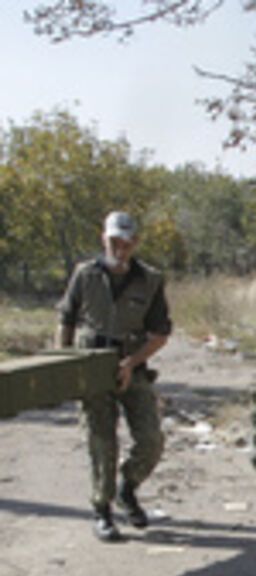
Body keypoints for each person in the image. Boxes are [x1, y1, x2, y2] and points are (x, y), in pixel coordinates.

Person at [58, 211, 171, 542]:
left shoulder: (150, 280)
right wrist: (65, 365)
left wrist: (131, 363)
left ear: (135, 242)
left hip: (131, 363)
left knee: (151, 440)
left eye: (127, 242)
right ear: (103, 239)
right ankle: (102, 509)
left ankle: (127, 487)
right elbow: (66, 319)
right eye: (114, 241)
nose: (120, 248)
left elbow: (160, 333)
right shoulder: (85, 274)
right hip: (92, 364)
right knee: (101, 440)